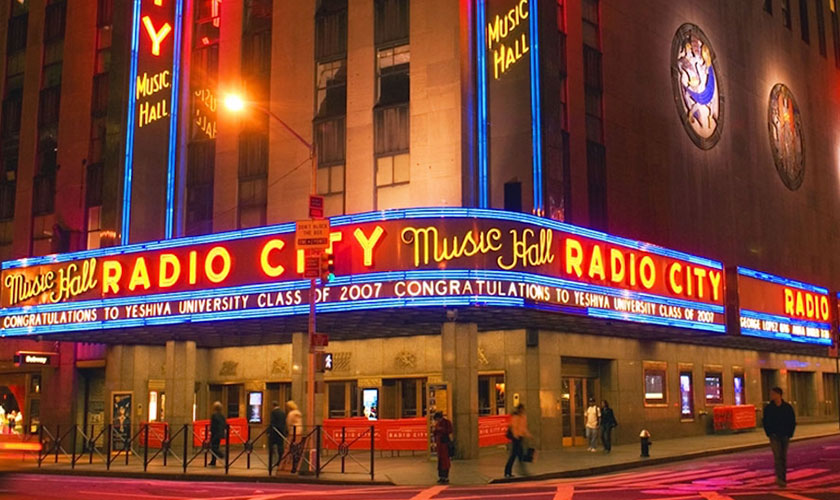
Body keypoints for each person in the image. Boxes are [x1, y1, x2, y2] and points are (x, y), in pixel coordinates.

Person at [763, 387, 796, 487]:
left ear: (779, 395)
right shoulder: (769, 408)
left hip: (785, 435)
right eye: (771, 394)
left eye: (773, 394)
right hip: (774, 436)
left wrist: (790, 433)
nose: (772, 396)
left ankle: (783, 477)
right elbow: (765, 421)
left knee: (783, 457)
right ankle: (780, 478)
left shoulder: (787, 407)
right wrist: (769, 433)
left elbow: (792, 421)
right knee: (777, 457)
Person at [504, 403, 532, 478]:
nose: (523, 410)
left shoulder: (523, 417)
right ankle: (509, 471)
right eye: (522, 409)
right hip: (516, 438)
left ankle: (515, 471)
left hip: (520, 437)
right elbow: (514, 427)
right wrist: (516, 437)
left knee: (518, 455)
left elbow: (523, 428)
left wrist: (528, 435)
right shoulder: (515, 416)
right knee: (515, 455)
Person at [432, 411, 454, 483]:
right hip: (439, 444)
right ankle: (441, 476)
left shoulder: (447, 422)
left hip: (444, 443)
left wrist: (441, 429)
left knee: (445, 461)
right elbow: (435, 433)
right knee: (440, 461)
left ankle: (445, 476)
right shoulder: (438, 423)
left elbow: (450, 430)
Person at [285, 400, 303, 472]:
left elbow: (289, 423)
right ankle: (297, 460)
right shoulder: (298, 413)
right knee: (297, 446)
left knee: (289, 446)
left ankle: (287, 461)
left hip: (293, 431)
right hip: (299, 431)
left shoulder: (291, 414)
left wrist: (288, 430)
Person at [268, 401, 287, 468]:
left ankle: (271, 463)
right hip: (281, 432)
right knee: (280, 446)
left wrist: (268, 431)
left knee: (271, 447)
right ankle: (280, 460)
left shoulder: (273, 412)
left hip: (274, 432)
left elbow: (272, 423)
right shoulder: (283, 412)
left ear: (273, 405)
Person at [209, 401, 226, 466]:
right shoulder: (222, 416)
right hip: (220, 433)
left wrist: (211, 431)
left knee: (213, 447)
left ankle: (221, 455)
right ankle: (213, 461)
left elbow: (213, 425)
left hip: (215, 433)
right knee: (216, 446)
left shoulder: (214, 415)